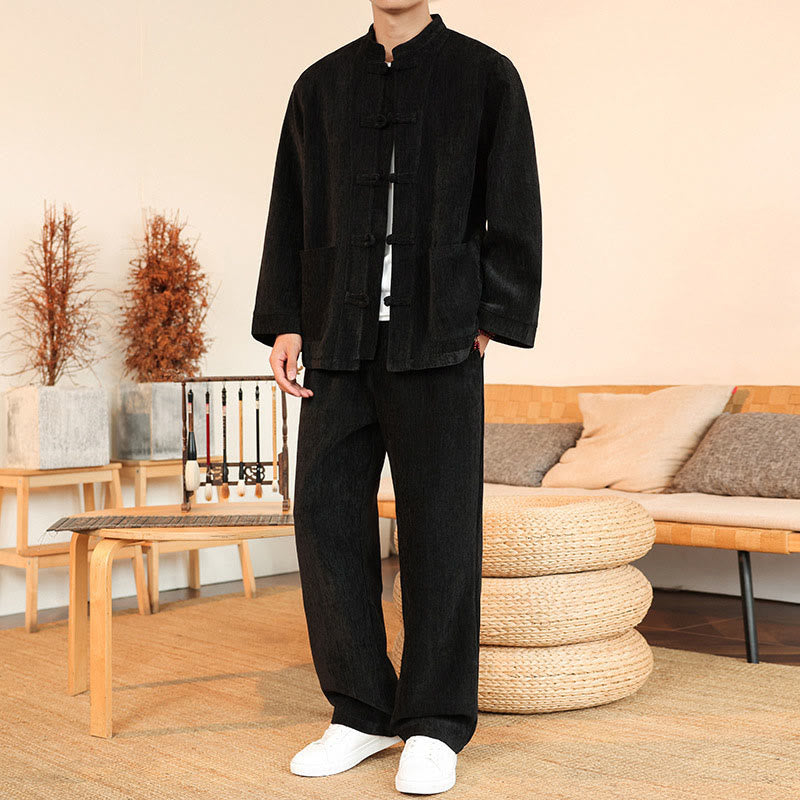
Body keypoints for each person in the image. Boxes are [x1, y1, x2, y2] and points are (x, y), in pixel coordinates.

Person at [251, 1, 541, 794]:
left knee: (440, 531)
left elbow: (513, 202)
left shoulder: (485, 76)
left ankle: (435, 724)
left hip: (439, 337)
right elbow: (290, 208)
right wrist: (285, 318)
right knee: (325, 520)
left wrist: (491, 315)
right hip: (336, 338)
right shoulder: (319, 87)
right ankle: (360, 712)